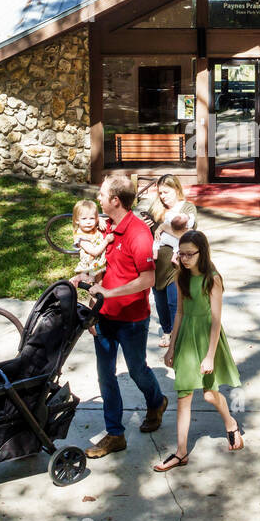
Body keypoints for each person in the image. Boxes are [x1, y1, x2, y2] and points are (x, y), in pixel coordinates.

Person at [79, 173, 169, 458]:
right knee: (105, 375)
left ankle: (156, 401)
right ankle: (115, 434)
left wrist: (108, 293)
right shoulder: (108, 229)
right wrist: (87, 285)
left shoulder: (138, 234)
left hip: (132, 319)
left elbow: (148, 279)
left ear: (115, 200)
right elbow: (103, 268)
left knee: (137, 369)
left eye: (102, 194)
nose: (98, 198)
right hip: (104, 316)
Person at [155, 230, 243, 471]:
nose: (184, 258)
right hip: (186, 339)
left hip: (207, 339)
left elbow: (216, 320)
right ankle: (181, 452)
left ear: (201, 252)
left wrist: (210, 356)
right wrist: (171, 346)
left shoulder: (212, 278)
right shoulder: (180, 277)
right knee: (183, 396)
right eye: (180, 254)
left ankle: (231, 423)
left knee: (208, 394)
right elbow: (180, 312)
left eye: (189, 254)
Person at [151, 175, 198, 350]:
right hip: (156, 266)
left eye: (166, 192)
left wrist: (163, 227)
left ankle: (176, 334)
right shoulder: (156, 208)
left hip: (177, 266)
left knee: (174, 301)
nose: (163, 196)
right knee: (159, 301)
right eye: (160, 192)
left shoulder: (187, 208)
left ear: (177, 189)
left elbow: (188, 235)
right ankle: (166, 331)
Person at [72, 199, 110, 281]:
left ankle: (98, 291)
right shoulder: (81, 237)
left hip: (98, 263)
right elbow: (95, 252)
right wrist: (106, 240)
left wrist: (100, 219)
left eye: (91, 218)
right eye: (84, 219)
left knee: (99, 282)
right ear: (77, 220)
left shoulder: (91, 227)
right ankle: (78, 279)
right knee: (96, 282)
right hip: (89, 267)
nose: (88, 222)